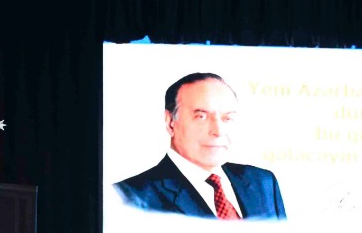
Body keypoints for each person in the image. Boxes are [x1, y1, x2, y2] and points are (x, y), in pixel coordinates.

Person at [114, 73, 287, 220]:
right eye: (201, 117)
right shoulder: (129, 195)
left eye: (227, 118)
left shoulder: (263, 182)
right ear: (170, 122)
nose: (218, 131)